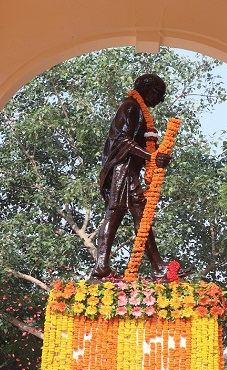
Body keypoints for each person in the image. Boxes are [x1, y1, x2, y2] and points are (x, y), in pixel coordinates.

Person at [91, 73, 191, 281]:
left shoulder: (136, 108)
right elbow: (121, 140)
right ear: (148, 88)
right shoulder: (130, 106)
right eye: (159, 94)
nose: (160, 100)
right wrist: (152, 157)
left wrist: (151, 158)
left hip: (130, 172)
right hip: (122, 171)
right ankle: (101, 269)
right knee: (114, 215)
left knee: (142, 219)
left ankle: (158, 268)